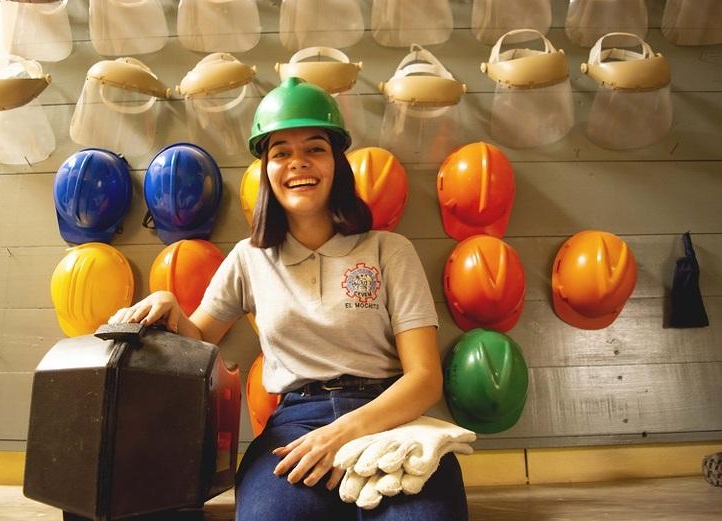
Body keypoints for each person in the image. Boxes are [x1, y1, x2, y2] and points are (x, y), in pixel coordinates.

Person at [109, 77, 468, 520]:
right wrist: (168, 303)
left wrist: (341, 434)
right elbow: (198, 340)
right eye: (281, 153)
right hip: (296, 423)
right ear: (267, 170)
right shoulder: (249, 257)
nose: (298, 162)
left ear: (337, 163)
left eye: (315, 148)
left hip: (390, 418)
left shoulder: (389, 250)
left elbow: (425, 378)